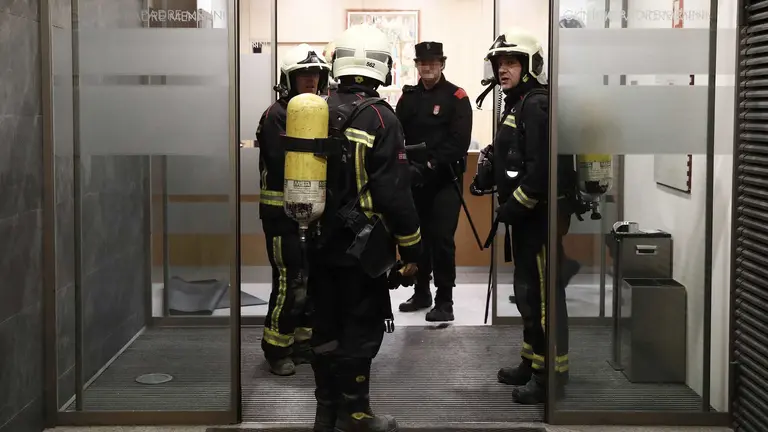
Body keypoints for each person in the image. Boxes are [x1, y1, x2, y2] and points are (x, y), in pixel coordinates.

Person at [308, 24, 422, 432]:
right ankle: (355, 414)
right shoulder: (380, 117)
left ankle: (325, 412)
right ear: (381, 67)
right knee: (359, 328)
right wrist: (412, 251)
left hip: (317, 242)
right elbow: (394, 195)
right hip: (361, 250)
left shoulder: (315, 109)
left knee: (325, 324)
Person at [477, 27, 571, 404]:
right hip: (525, 220)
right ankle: (531, 362)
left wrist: (513, 204)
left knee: (546, 299)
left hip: (539, 219)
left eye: (511, 62)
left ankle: (552, 376)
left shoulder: (536, 104)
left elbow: (542, 170)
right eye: (500, 63)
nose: (503, 69)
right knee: (529, 296)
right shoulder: (516, 103)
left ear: (530, 65)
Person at [256, 43, 330, 376]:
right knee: (288, 280)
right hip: (280, 215)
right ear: (289, 79)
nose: (310, 80)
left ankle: (302, 343)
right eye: (303, 74)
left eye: (315, 73)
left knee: (309, 281)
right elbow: (280, 160)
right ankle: (276, 349)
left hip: (312, 212)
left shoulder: (320, 113)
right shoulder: (276, 116)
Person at [395, 41, 473, 322]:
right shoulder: (408, 98)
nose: (427, 67)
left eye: (433, 62)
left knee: (441, 240)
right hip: (414, 181)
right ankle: (421, 292)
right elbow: (396, 135)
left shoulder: (457, 97)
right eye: (422, 63)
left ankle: (445, 300)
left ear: (442, 64)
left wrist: (429, 164)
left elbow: (458, 143)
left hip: (444, 181)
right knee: (417, 239)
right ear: (416, 65)